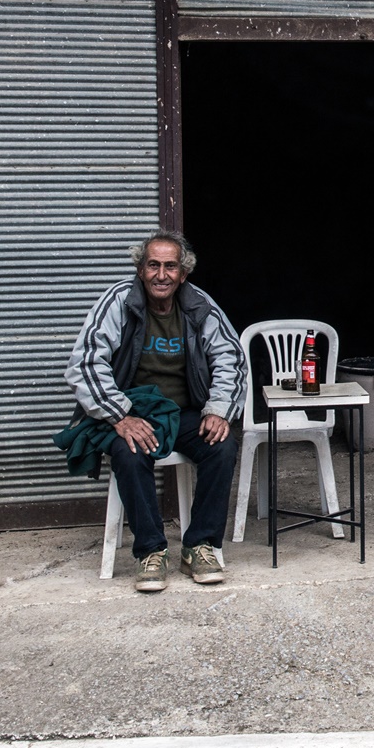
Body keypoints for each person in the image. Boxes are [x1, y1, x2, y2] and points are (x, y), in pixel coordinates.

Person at [65, 230, 249, 592]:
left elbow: (231, 359)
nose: (161, 275)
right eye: (153, 265)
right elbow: (85, 363)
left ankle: (200, 545)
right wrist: (119, 415)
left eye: (170, 266)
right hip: (132, 412)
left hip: (182, 413)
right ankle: (151, 550)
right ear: (140, 269)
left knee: (222, 445)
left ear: (183, 273)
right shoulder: (119, 301)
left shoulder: (199, 306)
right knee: (129, 451)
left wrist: (218, 410)